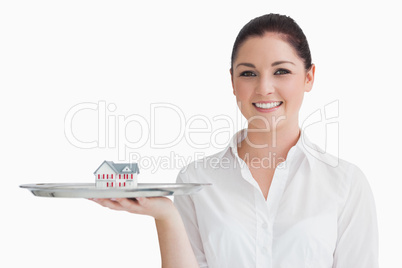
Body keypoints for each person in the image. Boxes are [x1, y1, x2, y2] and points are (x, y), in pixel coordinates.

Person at [91, 13, 379, 268]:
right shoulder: (197, 180)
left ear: (309, 77)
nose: (264, 87)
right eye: (248, 73)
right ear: (232, 82)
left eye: (281, 71)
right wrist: (166, 216)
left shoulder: (346, 184)